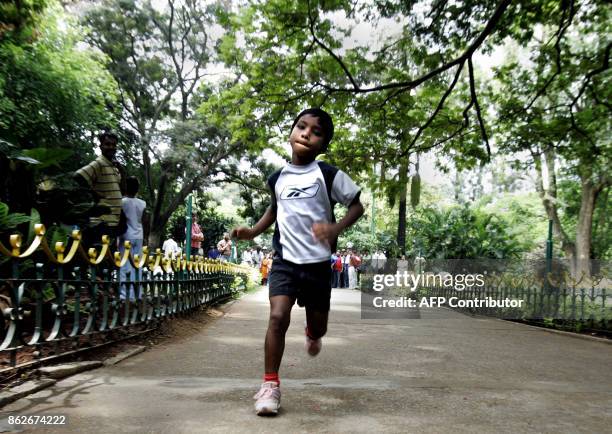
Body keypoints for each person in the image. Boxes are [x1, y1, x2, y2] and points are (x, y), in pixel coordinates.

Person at [231, 108, 364, 416]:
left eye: (315, 131)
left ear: (323, 144)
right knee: (277, 317)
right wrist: (252, 231)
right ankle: (270, 385)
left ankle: (312, 333)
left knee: (319, 327)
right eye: (301, 127)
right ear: (291, 133)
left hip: (317, 265)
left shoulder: (328, 174)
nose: (306, 133)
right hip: (285, 262)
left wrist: (335, 228)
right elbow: (273, 211)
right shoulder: (277, 178)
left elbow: (356, 207)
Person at [74, 131, 125, 247]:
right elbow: (78, 175)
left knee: (109, 260)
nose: (111, 147)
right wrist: (93, 192)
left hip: (113, 221)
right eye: (107, 144)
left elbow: (123, 190)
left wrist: (122, 170)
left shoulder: (113, 166)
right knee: (100, 258)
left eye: (113, 145)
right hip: (101, 222)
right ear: (101, 146)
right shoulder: (99, 163)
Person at [118, 177, 148, 300]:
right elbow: (145, 221)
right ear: (137, 189)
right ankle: (137, 294)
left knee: (125, 265)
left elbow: (120, 221)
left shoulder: (122, 202)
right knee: (138, 265)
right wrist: (145, 237)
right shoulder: (142, 203)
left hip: (126, 236)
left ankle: (125, 296)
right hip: (139, 237)